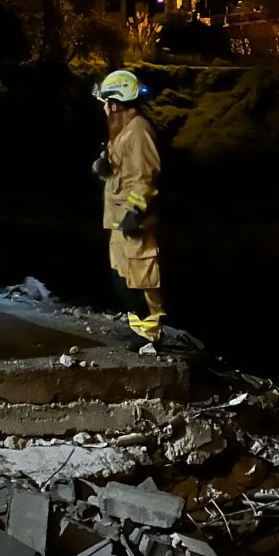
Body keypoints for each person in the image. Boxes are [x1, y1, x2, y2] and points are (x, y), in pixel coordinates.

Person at [93, 69, 164, 350]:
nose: (105, 108)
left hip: (133, 219)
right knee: (123, 278)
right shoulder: (122, 129)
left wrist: (135, 210)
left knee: (142, 278)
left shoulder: (138, 130)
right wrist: (103, 169)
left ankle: (151, 334)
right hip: (117, 219)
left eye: (107, 102)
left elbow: (146, 174)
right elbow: (122, 171)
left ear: (116, 102)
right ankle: (138, 328)